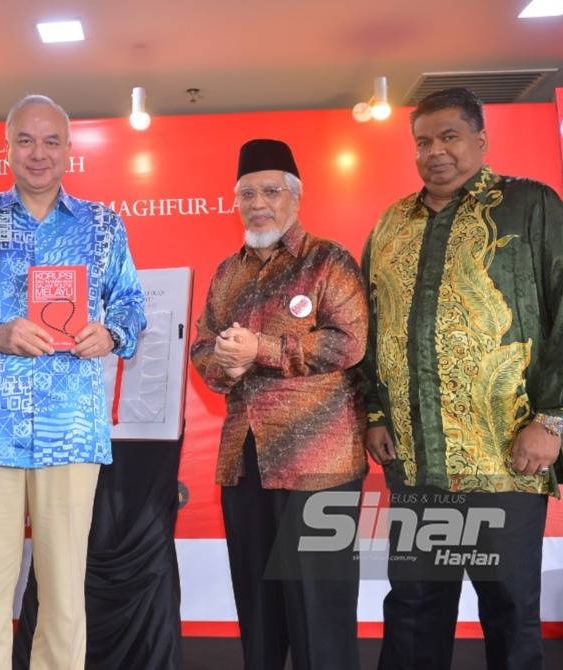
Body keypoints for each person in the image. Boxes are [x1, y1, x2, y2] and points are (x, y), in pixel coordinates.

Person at [361, 87, 563, 670]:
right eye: (423, 142)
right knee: (415, 604)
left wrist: (550, 421)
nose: (435, 152)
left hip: (507, 454)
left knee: (508, 603)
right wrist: (374, 412)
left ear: (480, 140)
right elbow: (368, 325)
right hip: (419, 461)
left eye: (449, 137)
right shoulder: (391, 224)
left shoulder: (530, 206)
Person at [0, 94, 146, 670]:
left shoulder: (102, 225)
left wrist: (113, 334)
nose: (39, 153)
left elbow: (131, 305)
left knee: (65, 597)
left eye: (52, 141)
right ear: (7, 146)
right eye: (26, 140)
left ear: (70, 150)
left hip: (70, 429)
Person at [190, 138, 368, 670]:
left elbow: (350, 342)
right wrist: (228, 364)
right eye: (247, 193)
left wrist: (262, 350)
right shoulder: (228, 272)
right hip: (245, 461)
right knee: (259, 614)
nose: (258, 203)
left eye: (271, 190)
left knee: (321, 617)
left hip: (320, 464)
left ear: (296, 196)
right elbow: (203, 346)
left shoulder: (328, 260)